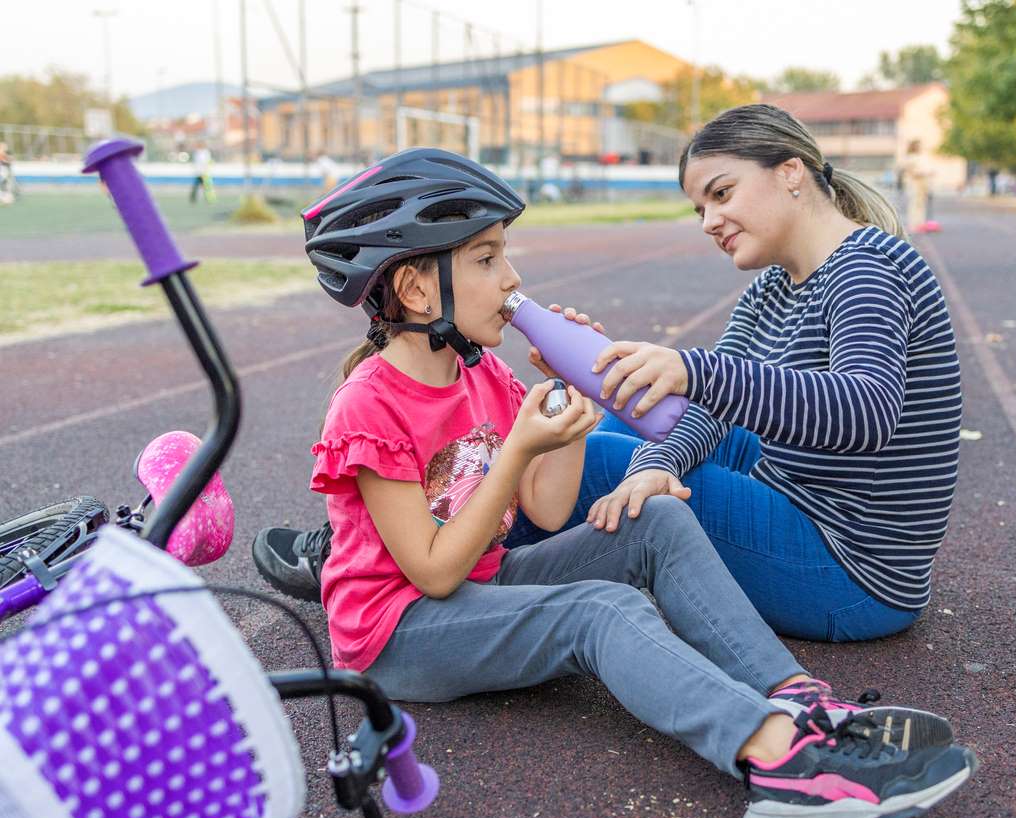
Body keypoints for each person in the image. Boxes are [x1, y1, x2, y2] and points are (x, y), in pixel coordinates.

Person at [288, 147, 975, 818]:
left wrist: (574, 401)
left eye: (505, 255)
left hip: (483, 582)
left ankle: (798, 702)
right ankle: (778, 767)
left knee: (657, 517)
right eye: (487, 259)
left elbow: (550, 510)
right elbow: (435, 574)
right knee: (599, 611)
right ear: (414, 288)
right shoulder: (366, 406)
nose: (512, 277)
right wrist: (520, 449)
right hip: (399, 633)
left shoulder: (486, 379)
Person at [257, 104, 964, 645]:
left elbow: (864, 413)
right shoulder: (776, 286)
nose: (709, 220)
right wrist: (656, 459)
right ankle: (402, 541)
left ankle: (394, 561)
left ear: (791, 173)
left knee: (585, 454)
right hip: (798, 490)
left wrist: (689, 372)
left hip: (851, 571)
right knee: (620, 415)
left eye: (721, 193)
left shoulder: (868, 266)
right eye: (699, 207)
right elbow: (706, 412)